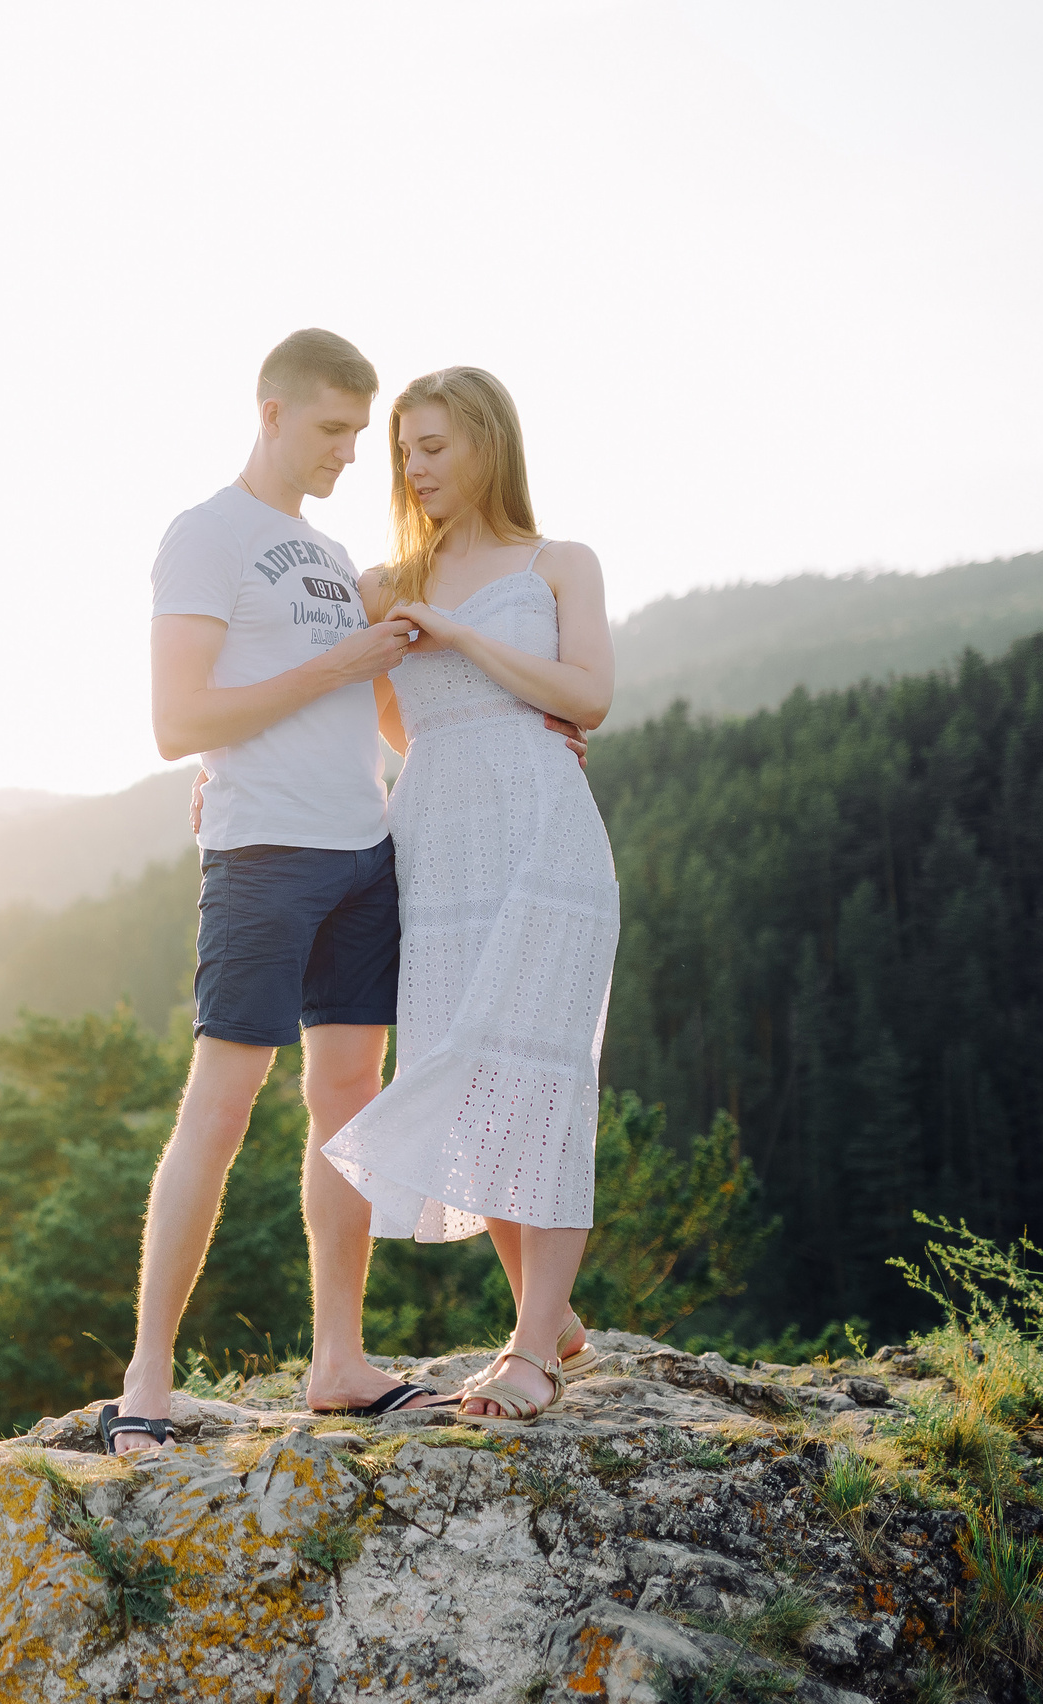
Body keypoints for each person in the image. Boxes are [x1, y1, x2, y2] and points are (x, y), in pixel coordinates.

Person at [107, 330, 587, 1454]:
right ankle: (147, 1379)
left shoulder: (330, 556)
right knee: (218, 1114)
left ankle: (338, 1361)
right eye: (331, 430)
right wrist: (333, 670)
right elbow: (179, 722)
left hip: (367, 858)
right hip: (263, 859)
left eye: (358, 435)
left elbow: (380, 713)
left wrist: (514, 742)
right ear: (270, 412)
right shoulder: (204, 536)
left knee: (349, 1114)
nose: (348, 454)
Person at [320, 365, 620, 1422]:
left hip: (547, 839)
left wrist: (466, 646)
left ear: (487, 441)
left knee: (541, 1073)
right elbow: (370, 714)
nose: (412, 466)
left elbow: (588, 694)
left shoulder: (556, 563)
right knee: (468, 1079)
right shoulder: (383, 580)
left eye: (433, 445)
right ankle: (555, 1316)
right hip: (436, 845)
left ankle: (532, 1350)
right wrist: (220, 782)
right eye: (404, 449)